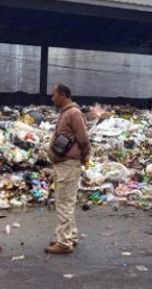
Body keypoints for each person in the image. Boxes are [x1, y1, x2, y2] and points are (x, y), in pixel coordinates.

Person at [46, 83, 91, 254]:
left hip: (68, 165)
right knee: (66, 201)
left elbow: (83, 139)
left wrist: (85, 157)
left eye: (54, 94)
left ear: (63, 94)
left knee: (63, 202)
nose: (52, 98)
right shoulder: (66, 113)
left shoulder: (73, 113)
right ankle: (69, 236)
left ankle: (64, 243)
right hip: (63, 165)